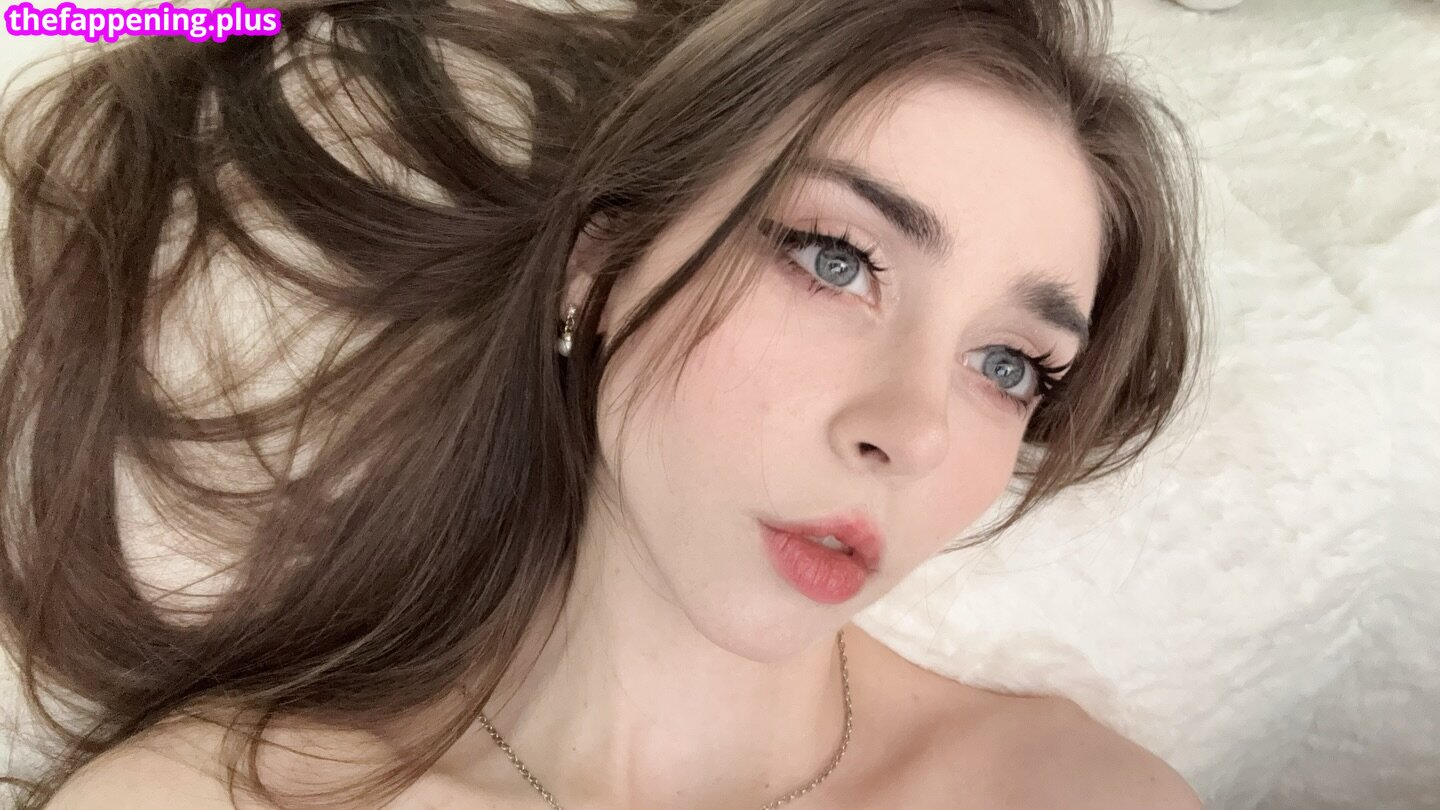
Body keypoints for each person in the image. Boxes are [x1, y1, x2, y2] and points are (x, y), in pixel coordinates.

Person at [0, 0, 1210, 806]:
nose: (914, 432)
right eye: (836, 259)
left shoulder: (1079, 794)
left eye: (1011, 365)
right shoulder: (194, 799)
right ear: (599, 264)